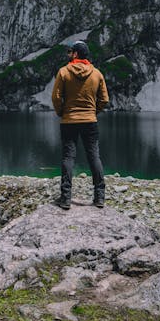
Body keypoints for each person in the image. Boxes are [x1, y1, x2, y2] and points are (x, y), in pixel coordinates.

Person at [51, 40, 109, 210]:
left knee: (68, 157)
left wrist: (62, 112)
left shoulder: (63, 72)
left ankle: (66, 199)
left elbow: (56, 97)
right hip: (90, 121)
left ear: (76, 54)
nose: (69, 54)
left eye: (70, 52)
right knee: (94, 157)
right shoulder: (97, 73)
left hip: (69, 120)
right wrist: (93, 112)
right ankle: (99, 198)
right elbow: (104, 99)